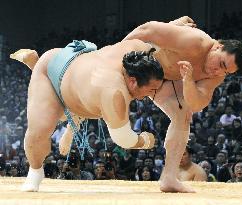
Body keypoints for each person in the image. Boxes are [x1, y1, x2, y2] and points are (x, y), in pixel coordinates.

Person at [10, 39, 164, 192]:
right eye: (151, 89)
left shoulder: (138, 50)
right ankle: (35, 171)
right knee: (41, 130)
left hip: (80, 75)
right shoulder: (113, 93)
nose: (153, 94)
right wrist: (145, 141)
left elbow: (154, 33)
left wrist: (177, 26)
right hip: (52, 71)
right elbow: (124, 138)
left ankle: (36, 67)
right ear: (133, 82)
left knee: (83, 103)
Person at [123, 15, 242, 192]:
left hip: (164, 81)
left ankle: (169, 177)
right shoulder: (195, 41)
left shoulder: (216, 75)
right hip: (145, 62)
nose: (217, 71)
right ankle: (172, 25)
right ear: (218, 46)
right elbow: (147, 29)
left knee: (183, 115)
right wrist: (116, 53)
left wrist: (189, 80)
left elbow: (197, 105)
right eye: (220, 63)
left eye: (225, 71)